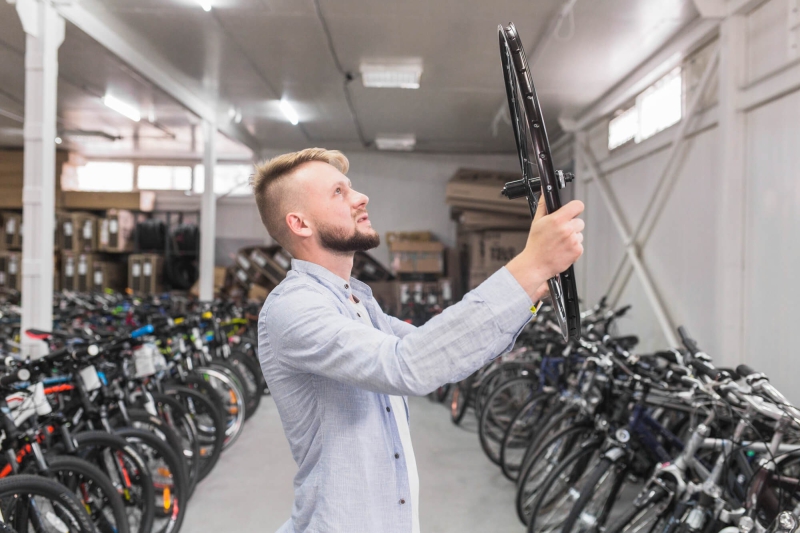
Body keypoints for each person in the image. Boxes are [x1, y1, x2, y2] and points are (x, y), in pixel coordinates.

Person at [251, 148, 584, 533]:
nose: (361, 197)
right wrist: (529, 267)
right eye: (338, 192)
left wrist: (531, 289)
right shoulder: (294, 309)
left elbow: (437, 351)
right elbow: (406, 365)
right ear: (300, 223)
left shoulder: (357, 300)